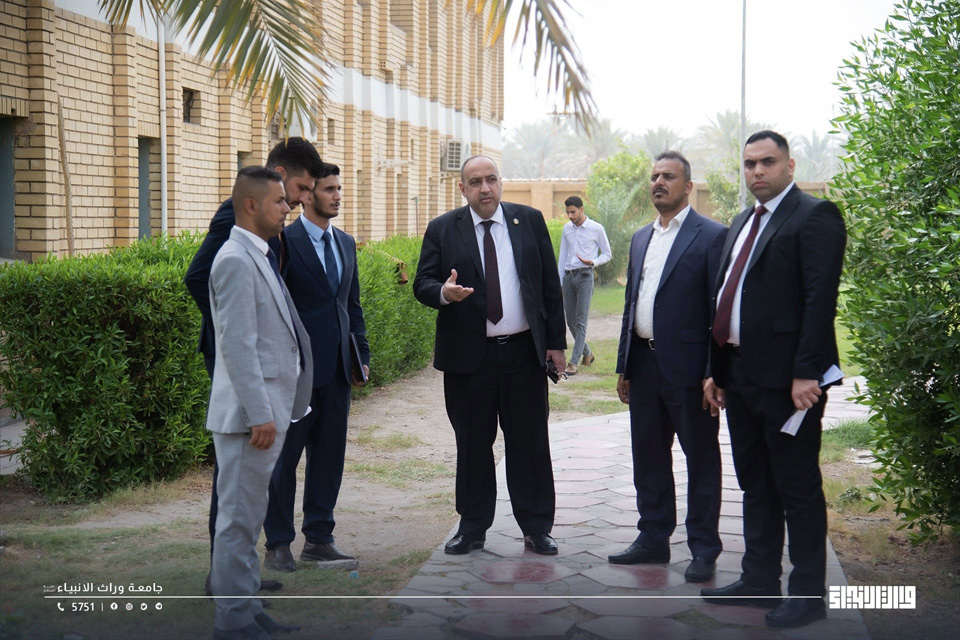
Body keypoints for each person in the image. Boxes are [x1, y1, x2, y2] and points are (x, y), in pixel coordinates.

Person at [701, 131, 846, 629]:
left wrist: (807, 372)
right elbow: (726, 297)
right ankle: (759, 579)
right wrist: (716, 371)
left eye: (767, 162)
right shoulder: (743, 221)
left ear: (789, 165)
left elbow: (819, 300)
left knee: (796, 486)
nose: (757, 171)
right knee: (755, 483)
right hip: (740, 376)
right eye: (749, 164)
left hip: (790, 384)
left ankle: (807, 595)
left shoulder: (815, 216)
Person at [184, 137, 323, 596]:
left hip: (260, 374)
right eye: (297, 190)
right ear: (276, 178)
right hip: (242, 373)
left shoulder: (265, 234)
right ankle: (227, 590)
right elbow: (202, 280)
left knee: (249, 498)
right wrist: (237, 334)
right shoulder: (237, 227)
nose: (298, 202)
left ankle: (240, 589)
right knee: (236, 502)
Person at [413, 155, 566, 556]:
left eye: (492, 179)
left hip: (523, 355)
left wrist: (555, 343)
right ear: (462, 188)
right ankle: (472, 527)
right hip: (469, 360)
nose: (485, 188)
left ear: (501, 182)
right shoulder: (443, 229)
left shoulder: (528, 220)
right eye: (476, 182)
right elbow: (422, 283)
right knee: (472, 444)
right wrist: (443, 293)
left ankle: (537, 527)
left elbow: (549, 286)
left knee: (530, 443)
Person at [608, 151, 727, 583]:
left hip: (691, 371)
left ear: (688, 187)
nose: (659, 182)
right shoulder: (641, 237)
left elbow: (720, 310)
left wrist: (716, 372)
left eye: (669, 176)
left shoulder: (712, 236)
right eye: (655, 176)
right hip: (644, 365)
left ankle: (704, 548)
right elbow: (632, 304)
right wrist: (624, 365)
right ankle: (653, 538)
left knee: (701, 459)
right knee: (648, 455)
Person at [206, 167, 313, 640]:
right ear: (250, 206)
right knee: (237, 523)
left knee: (249, 520)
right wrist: (259, 414)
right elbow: (237, 346)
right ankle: (232, 622)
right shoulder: (234, 259)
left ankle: (247, 609)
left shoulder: (257, 253)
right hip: (250, 419)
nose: (288, 208)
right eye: (279, 201)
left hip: (264, 413)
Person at [263, 163, 370, 572]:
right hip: (294, 375)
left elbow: (351, 306)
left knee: (328, 460)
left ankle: (320, 540)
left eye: (339, 189)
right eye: (329, 189)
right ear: (307, 195)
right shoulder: (282, 243)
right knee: (283, 461)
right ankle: (278, 544)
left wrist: (361, 357)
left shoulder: (344, 242)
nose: (337, 196)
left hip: (339, 371)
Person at [556, 196, 611, 375]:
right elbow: (563, 256)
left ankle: (574, 362)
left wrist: (593, 262)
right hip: (569, 277)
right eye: (568, 213)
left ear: (581, 209)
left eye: (573, 212)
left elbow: (607, 254)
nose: (570, 216)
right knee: (570, 321)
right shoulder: (567, 229)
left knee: (581, 321)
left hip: (585, 276)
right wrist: (559, 281)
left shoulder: (596, 228)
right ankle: (588, 353)